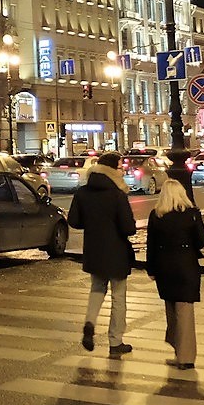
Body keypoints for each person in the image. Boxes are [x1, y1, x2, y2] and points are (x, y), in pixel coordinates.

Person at [66, 152, 137, 357]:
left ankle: (90, 322)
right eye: (120, 166)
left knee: (97, 288)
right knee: (118, 296)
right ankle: (115, 342)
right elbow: (128, 227)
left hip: (94, 249)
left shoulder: (83, 192)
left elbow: (74, 221)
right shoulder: (117, 194)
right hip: (116, 251)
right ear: (113, 169)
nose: (122, 170)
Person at [146, 179, 204, 369]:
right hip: (186, 265)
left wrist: (151, 269)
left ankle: (177, 348)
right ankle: (186, 356)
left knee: (171, 309)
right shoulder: (192, 214)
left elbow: (151, 244)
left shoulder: (156, 215)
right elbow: (201, 241)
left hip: (164, 266)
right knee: (185, 311)